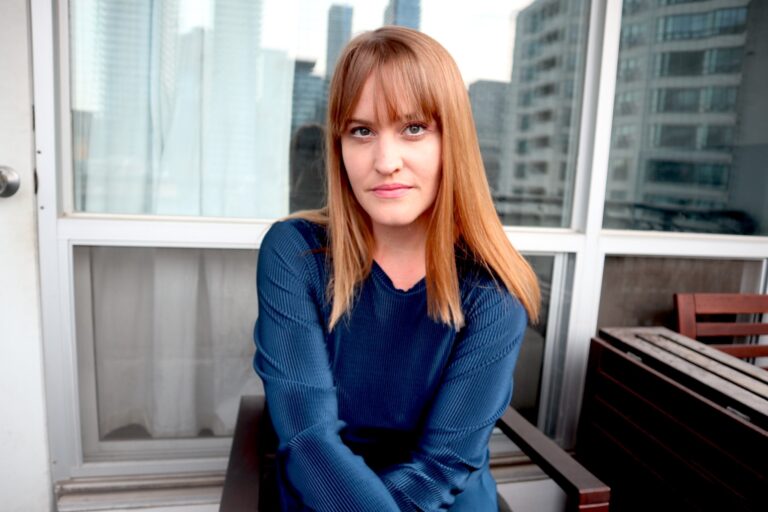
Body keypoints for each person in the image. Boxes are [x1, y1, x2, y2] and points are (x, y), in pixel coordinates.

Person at [254, 26, 540, 511]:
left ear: (452, 141)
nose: (386, 161)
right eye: (361, 131)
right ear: (339, 145)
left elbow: (442, 466)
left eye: (413, 128)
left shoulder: (494, 290)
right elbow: (308, 439)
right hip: (325, 494)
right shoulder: (295, 254)